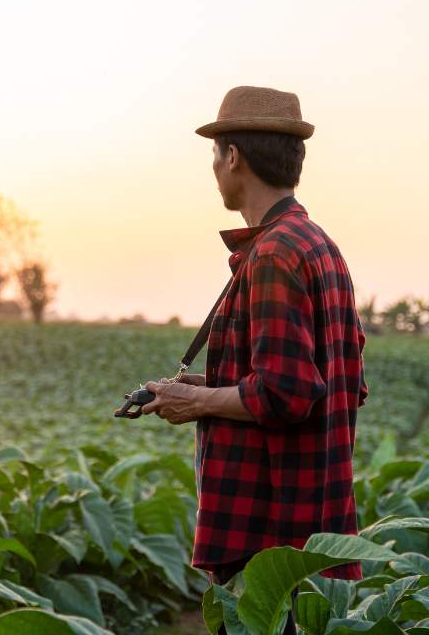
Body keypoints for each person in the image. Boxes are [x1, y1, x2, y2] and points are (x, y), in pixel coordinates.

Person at [139, 86, 368, 632]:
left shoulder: (271, 255)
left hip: (268, 539)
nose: (214, 168)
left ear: (233, 157)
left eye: (215, 154)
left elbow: (287, 392)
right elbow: (328, 380)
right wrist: (200, 386)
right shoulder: (317, 245)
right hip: (311, 531)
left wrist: (195, 401)